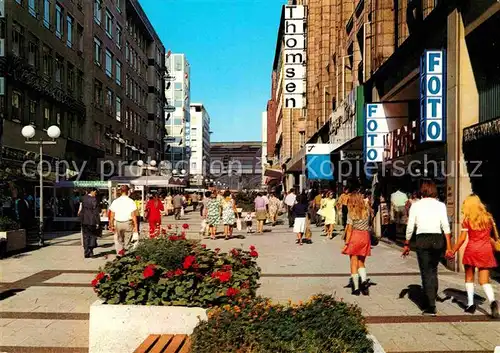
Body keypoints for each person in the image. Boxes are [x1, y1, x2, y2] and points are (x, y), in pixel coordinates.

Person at [403, 180, 453, 316]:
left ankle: (430, 305)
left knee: (426, 272)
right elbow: (446, 226)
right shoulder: (441, 205)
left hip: (422, 239)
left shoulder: (416, 206)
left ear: (422, 191)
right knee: (433, 269)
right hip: (437, 239)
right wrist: (449, 246)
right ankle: (432, 296)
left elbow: (410, 226)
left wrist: (407, 243)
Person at [450, 195, 499, 318]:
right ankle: (492, 301)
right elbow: (495, 235)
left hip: (472, 250)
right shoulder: (488, 217)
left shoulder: (467, 219)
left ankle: (471, 304)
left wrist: (453, 250)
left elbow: (462, 239)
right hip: (485, 250)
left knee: (469, 277)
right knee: (484, 281)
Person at [342, 191, 372, 296]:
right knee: (361, 262)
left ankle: (356, 288)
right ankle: (364, 281)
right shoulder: (367, 210)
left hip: (355, 237)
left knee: (353, 262)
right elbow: (370, 223)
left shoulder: (351, 212)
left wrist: (346, 243)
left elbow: (349, 229)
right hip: (365, 237)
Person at [109, 185, 139, 255]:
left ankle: (119, 254)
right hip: (128, 223)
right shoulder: (131, 201)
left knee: (119, 241)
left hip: (118, 223)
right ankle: (127, 255)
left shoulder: (116, 201)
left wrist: (111, 224)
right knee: (127, 241)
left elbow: (112, 215)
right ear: (128, 191)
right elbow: (133, 215)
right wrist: (136, 227)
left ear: (120, 191)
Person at [78, 188, 101, 258]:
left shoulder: (83, 198)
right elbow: (95, 211)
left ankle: (86, 251)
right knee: (92, 235)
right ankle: (90, 250)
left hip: (84, 219)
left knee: (85, 236)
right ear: (92, 191)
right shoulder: (94, 199)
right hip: (92, 220)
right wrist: (98, 222)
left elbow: (81, 208)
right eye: (95, 192)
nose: (95, 194)